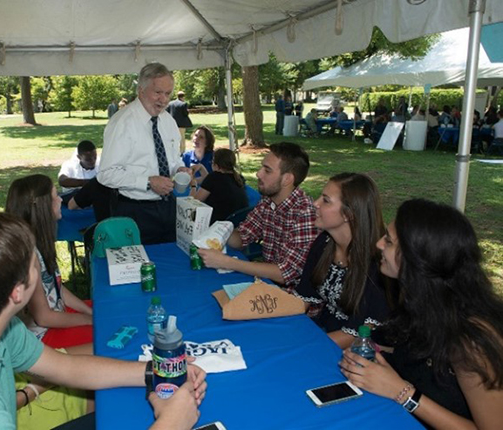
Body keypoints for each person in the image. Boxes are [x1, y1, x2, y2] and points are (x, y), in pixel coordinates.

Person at [0, 211, 206, 429]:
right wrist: (171, 424)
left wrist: (157, 372)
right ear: (18, 292)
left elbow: (65, 367)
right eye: (35, 264)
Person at [340, 199, 503, 430]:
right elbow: (416, 357)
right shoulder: (422, 304)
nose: (378, 244)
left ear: (416, 259)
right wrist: (370, 354)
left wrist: (402, 392)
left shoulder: (471, 341)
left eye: (388, 240)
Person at [198, 142, 318, 293]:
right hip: (268, 285)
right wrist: (215, 230)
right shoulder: (268, 201)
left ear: (287, 179)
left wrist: (227, 262)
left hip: (294, 299)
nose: (258, 174)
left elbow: (284, 274)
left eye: (267, 170)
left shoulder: (305, 214)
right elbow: (242, 238)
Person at [97, 63, 190, 245]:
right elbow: (106, 174)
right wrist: (148, 182)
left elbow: (173, 158)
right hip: (135, 211)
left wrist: (180, 169)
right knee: (140, 269)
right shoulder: (122, 123)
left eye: (168, 93)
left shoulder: (167, 120)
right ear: (141, 90)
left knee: (171, 262)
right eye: (158, 92)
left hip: (168, 206)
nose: (163, 100)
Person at [294, 173, 389, 349]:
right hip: (323, 333)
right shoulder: (324, 243)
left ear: (349, 214)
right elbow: (303, 298)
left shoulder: (377, 264)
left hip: (359, 352)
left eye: (326, 200)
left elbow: (357, 334)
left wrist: (302, 347)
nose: (315, 203)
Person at [6, 174, 93, 349]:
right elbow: (44, 317)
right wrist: (89, 320)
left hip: (57, 315)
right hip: (42, 337)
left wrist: (90, 312)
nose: (60, 199)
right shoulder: (29, 255)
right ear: (42, 208)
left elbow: (57, 288)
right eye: (55, 196)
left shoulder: (39, 242)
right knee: (110, 338)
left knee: (109, 313)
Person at [189, 148, 249, 223]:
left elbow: (193, 202)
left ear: (216, 166)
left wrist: (193, 186)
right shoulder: (238, 178)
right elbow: (209, 183)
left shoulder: (214, 178)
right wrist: (201, 167)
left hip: (218, 224)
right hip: (237, 221)